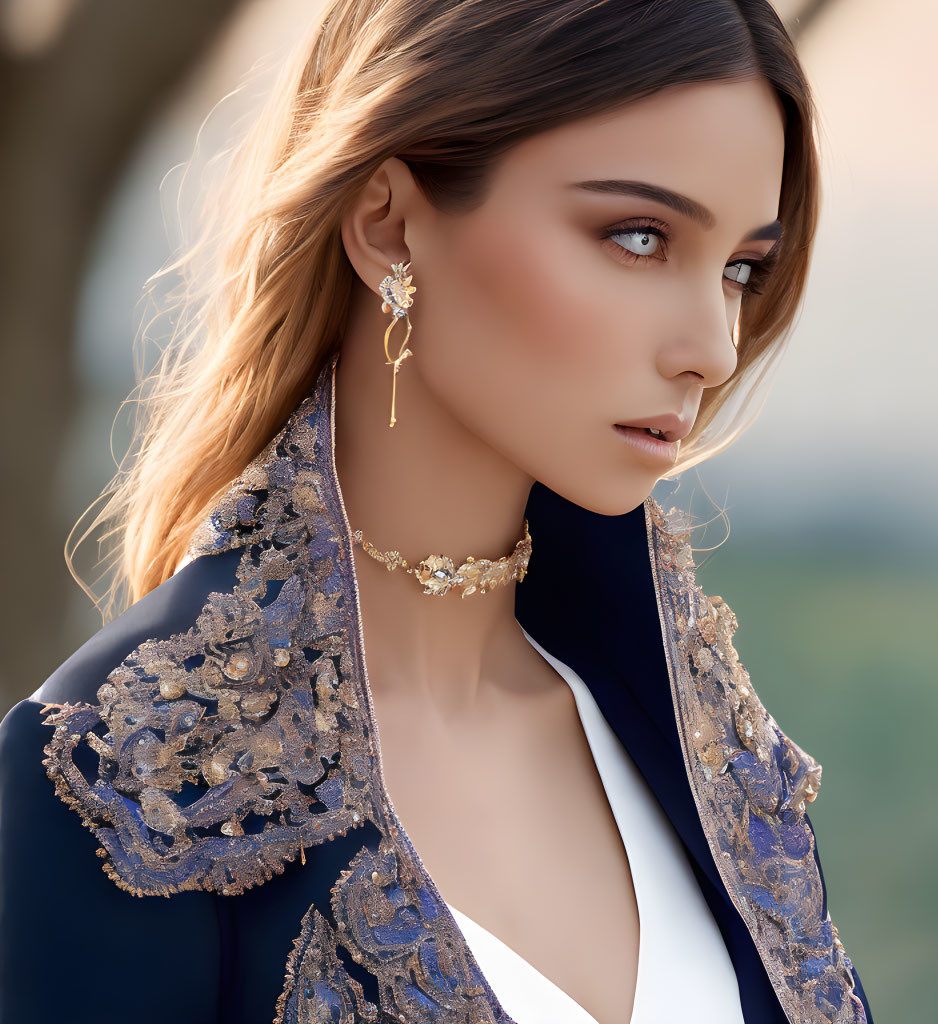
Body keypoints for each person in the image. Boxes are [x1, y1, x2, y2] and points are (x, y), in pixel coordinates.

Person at [0, 2, 874, 1022]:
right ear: (389, 225)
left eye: (739, 269)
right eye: (637, 236)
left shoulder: (715, 751)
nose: (712, 347)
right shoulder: (127, 781)